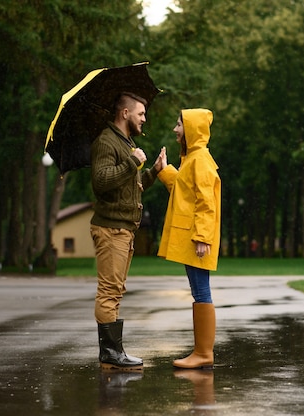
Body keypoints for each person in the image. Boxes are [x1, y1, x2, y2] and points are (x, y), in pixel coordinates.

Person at [90, 92, 165, 371]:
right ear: (125, 114)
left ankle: (113, 351)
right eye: (141, 113)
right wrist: (133, 162)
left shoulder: (125, 142)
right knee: (109, 291)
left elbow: (127, 188)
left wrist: (153, 172)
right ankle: (110, 353)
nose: (144, 118)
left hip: (123, 229)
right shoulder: (106, 142)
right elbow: (100, 182)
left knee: (116, 291)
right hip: (111, 228)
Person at [157, 108, 221, 369]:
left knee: (201, 291)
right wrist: (164, 170)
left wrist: (203, 236)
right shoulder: (192, 159)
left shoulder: (200, 160)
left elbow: (207, 203)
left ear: (192, 129)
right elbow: (184, 193)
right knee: (198, 291)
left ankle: (204, 353)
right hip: (192, 237)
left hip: (196, 239)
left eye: (179, 125)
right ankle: (201, 352)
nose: (175, 129)